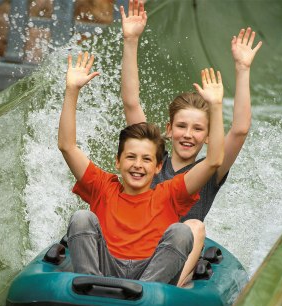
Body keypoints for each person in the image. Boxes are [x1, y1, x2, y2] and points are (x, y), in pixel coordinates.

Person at [119, 0, 262, 284]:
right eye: (182, 126)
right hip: (138, 248)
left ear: (208, 137)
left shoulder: (210, 171)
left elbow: (240, 130)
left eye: (198, 129)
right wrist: (131, 40)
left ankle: (173, 289)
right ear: (169, 130)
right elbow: (131, 101)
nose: (188, 134)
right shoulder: (149, 161)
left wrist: (242, 70)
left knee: (194, 226)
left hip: (175, 260)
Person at [58, 51, 225, 285]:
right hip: (104, 269)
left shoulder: (169, 193)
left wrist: (216, 106)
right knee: (82, 217)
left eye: (146, 160)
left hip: (149, 277)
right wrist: (72, 90)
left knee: (182, 231)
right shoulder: (102, 186)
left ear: (158, 167)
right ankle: (89, 286)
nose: (137, 165)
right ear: (118, 162)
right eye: (130, 157)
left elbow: (214, 161)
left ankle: (147, 294)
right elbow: (67, 146)